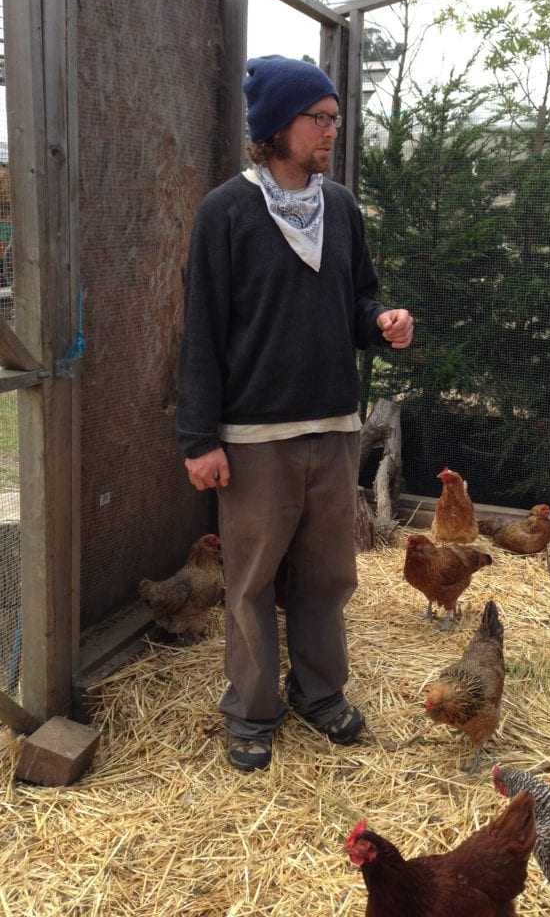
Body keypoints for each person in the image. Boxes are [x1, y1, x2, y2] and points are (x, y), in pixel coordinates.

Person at [176, 55, 413, 772]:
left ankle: (320, 694)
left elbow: (357, 300)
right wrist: (198, 439)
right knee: (249, 584)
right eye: (319, 118)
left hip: (335, 429)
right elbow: (202, 333)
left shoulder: (339, 207)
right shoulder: (226, 211)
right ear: (276, 125)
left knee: (327, 576)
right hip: (253, 439)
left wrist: (382, 322)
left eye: (335, 119)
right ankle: (250, 715)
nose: (331, 131)